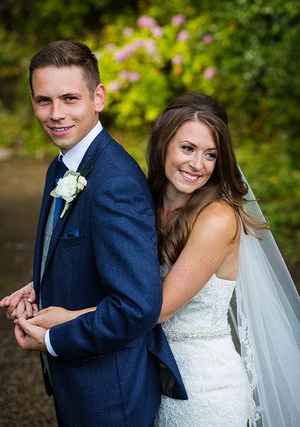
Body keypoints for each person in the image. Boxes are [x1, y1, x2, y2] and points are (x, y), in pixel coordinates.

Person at [9, 91, 300, 427]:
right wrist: (40, 284)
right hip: (146, 377)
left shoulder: (218, 219)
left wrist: (67, 319)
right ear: (164, 144)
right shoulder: (143, 199)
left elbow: (153, 306)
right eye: (187, 148)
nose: (197, 164)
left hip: (203, 389)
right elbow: (119, 265)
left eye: (210, 155)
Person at [0, 40, 187, 427]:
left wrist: (52, 340)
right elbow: (80, 248)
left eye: (70, 98)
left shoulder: (114, 182)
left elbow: (137, 308)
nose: (55, 115)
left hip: (110, 391)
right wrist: (40, 285)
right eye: (43, 101)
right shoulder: (63, 165)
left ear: (98, 96)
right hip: (81, 383)